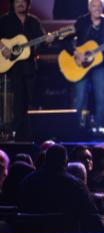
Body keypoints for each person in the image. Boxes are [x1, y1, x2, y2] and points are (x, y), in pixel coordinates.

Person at [0, 0, 54, 140]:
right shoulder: (5, 20)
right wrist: (3, 48)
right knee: (18, 103)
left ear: (27, 4)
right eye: (17, 1)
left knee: (31, 101)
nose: (20, 4)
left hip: (30, 67)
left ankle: (30, 135)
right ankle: (17, 134)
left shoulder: (33, 21)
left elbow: (41, 42)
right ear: (12, 4)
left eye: (23, 1)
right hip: (12, 68)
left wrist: (48, 40)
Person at [69, 0, 104, 127]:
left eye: (100, 6)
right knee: (79, 97)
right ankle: (74, 128)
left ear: (103, 7)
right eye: (94, 6)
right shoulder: (81, 22)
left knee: (102, 97)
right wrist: (77, 53)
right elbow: (68, 40)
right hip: (81, 66)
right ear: (89, 7)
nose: (97, 8)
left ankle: (99, 127)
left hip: (100, 66)